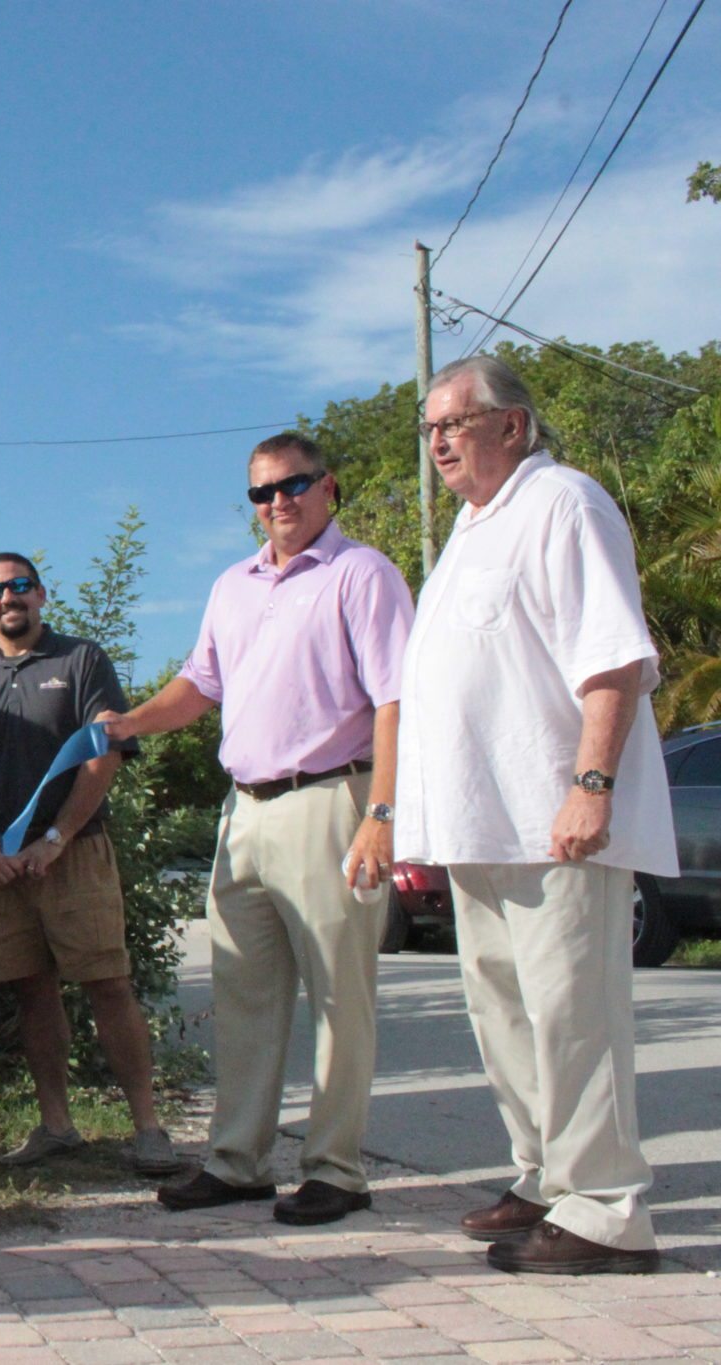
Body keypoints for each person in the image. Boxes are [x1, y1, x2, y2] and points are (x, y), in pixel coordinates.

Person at [395, 356, 676, 1276]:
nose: (436, 440)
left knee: (572, 1017)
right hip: (483, 829)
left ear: (511, 426)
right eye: (428, 427)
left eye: (454, 423)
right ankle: (547, 1177)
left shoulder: (565, 503)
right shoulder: (473, 530)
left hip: (555, 820)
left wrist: (590, 787)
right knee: (506, 1018)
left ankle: (605, 1212)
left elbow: (611, 656)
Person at [103, 433, 413, 1226]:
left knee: (341, 996)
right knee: (244, 995)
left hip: (330, 802)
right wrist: (130, 720)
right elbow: (200, 684)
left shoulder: (362, 574)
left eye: (294, 484)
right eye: (262, 492)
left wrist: (381, 814)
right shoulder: (231, 586)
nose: (279, 501)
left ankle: (337, 1168)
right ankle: (238, 1161)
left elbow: (396, 700)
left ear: (329, 487)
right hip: (242, 809)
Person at [0, 554, 178, 1177]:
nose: (9, 597)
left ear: (40, 594)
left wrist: (58, 838)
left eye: (20, 586)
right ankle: (57, 1127)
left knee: (108, 985)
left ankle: (148, 1128)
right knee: (32, 993)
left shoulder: (82, 660)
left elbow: (106, 750)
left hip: (74, 854)